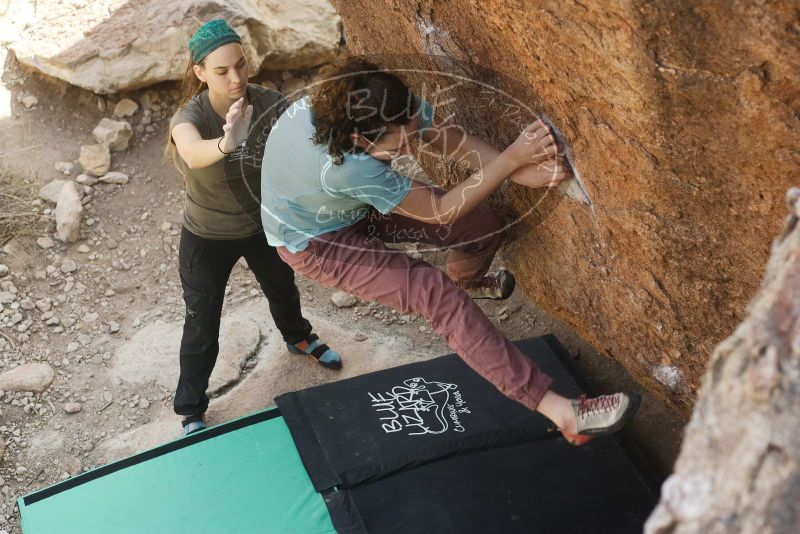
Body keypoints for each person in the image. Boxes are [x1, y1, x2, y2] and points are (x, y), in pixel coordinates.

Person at [258, 57, 641, 445]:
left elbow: (440, 136)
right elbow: (440, 212)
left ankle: (468, 282)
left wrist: (520, 169)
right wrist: (512, 159)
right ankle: (564, 413)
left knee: (482, 224)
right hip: (318, 243)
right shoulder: (349, 167)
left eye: (408, 135)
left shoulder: (372, 102)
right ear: (360, 141)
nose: (409, 148)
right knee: (435, 294)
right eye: (400, 145)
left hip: (344, 204)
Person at [164, 19, 343, 436]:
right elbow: (191, 152)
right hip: (206, 236)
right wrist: (229, 142)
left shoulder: (268, 102)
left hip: (263, 224)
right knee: (202, 322)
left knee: (282, 286)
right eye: (223, 70)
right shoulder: (190, 115)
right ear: (200, 73)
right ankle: (191, 408)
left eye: (241, 65)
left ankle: (298, 338)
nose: (237, 77)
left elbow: (307, 144)